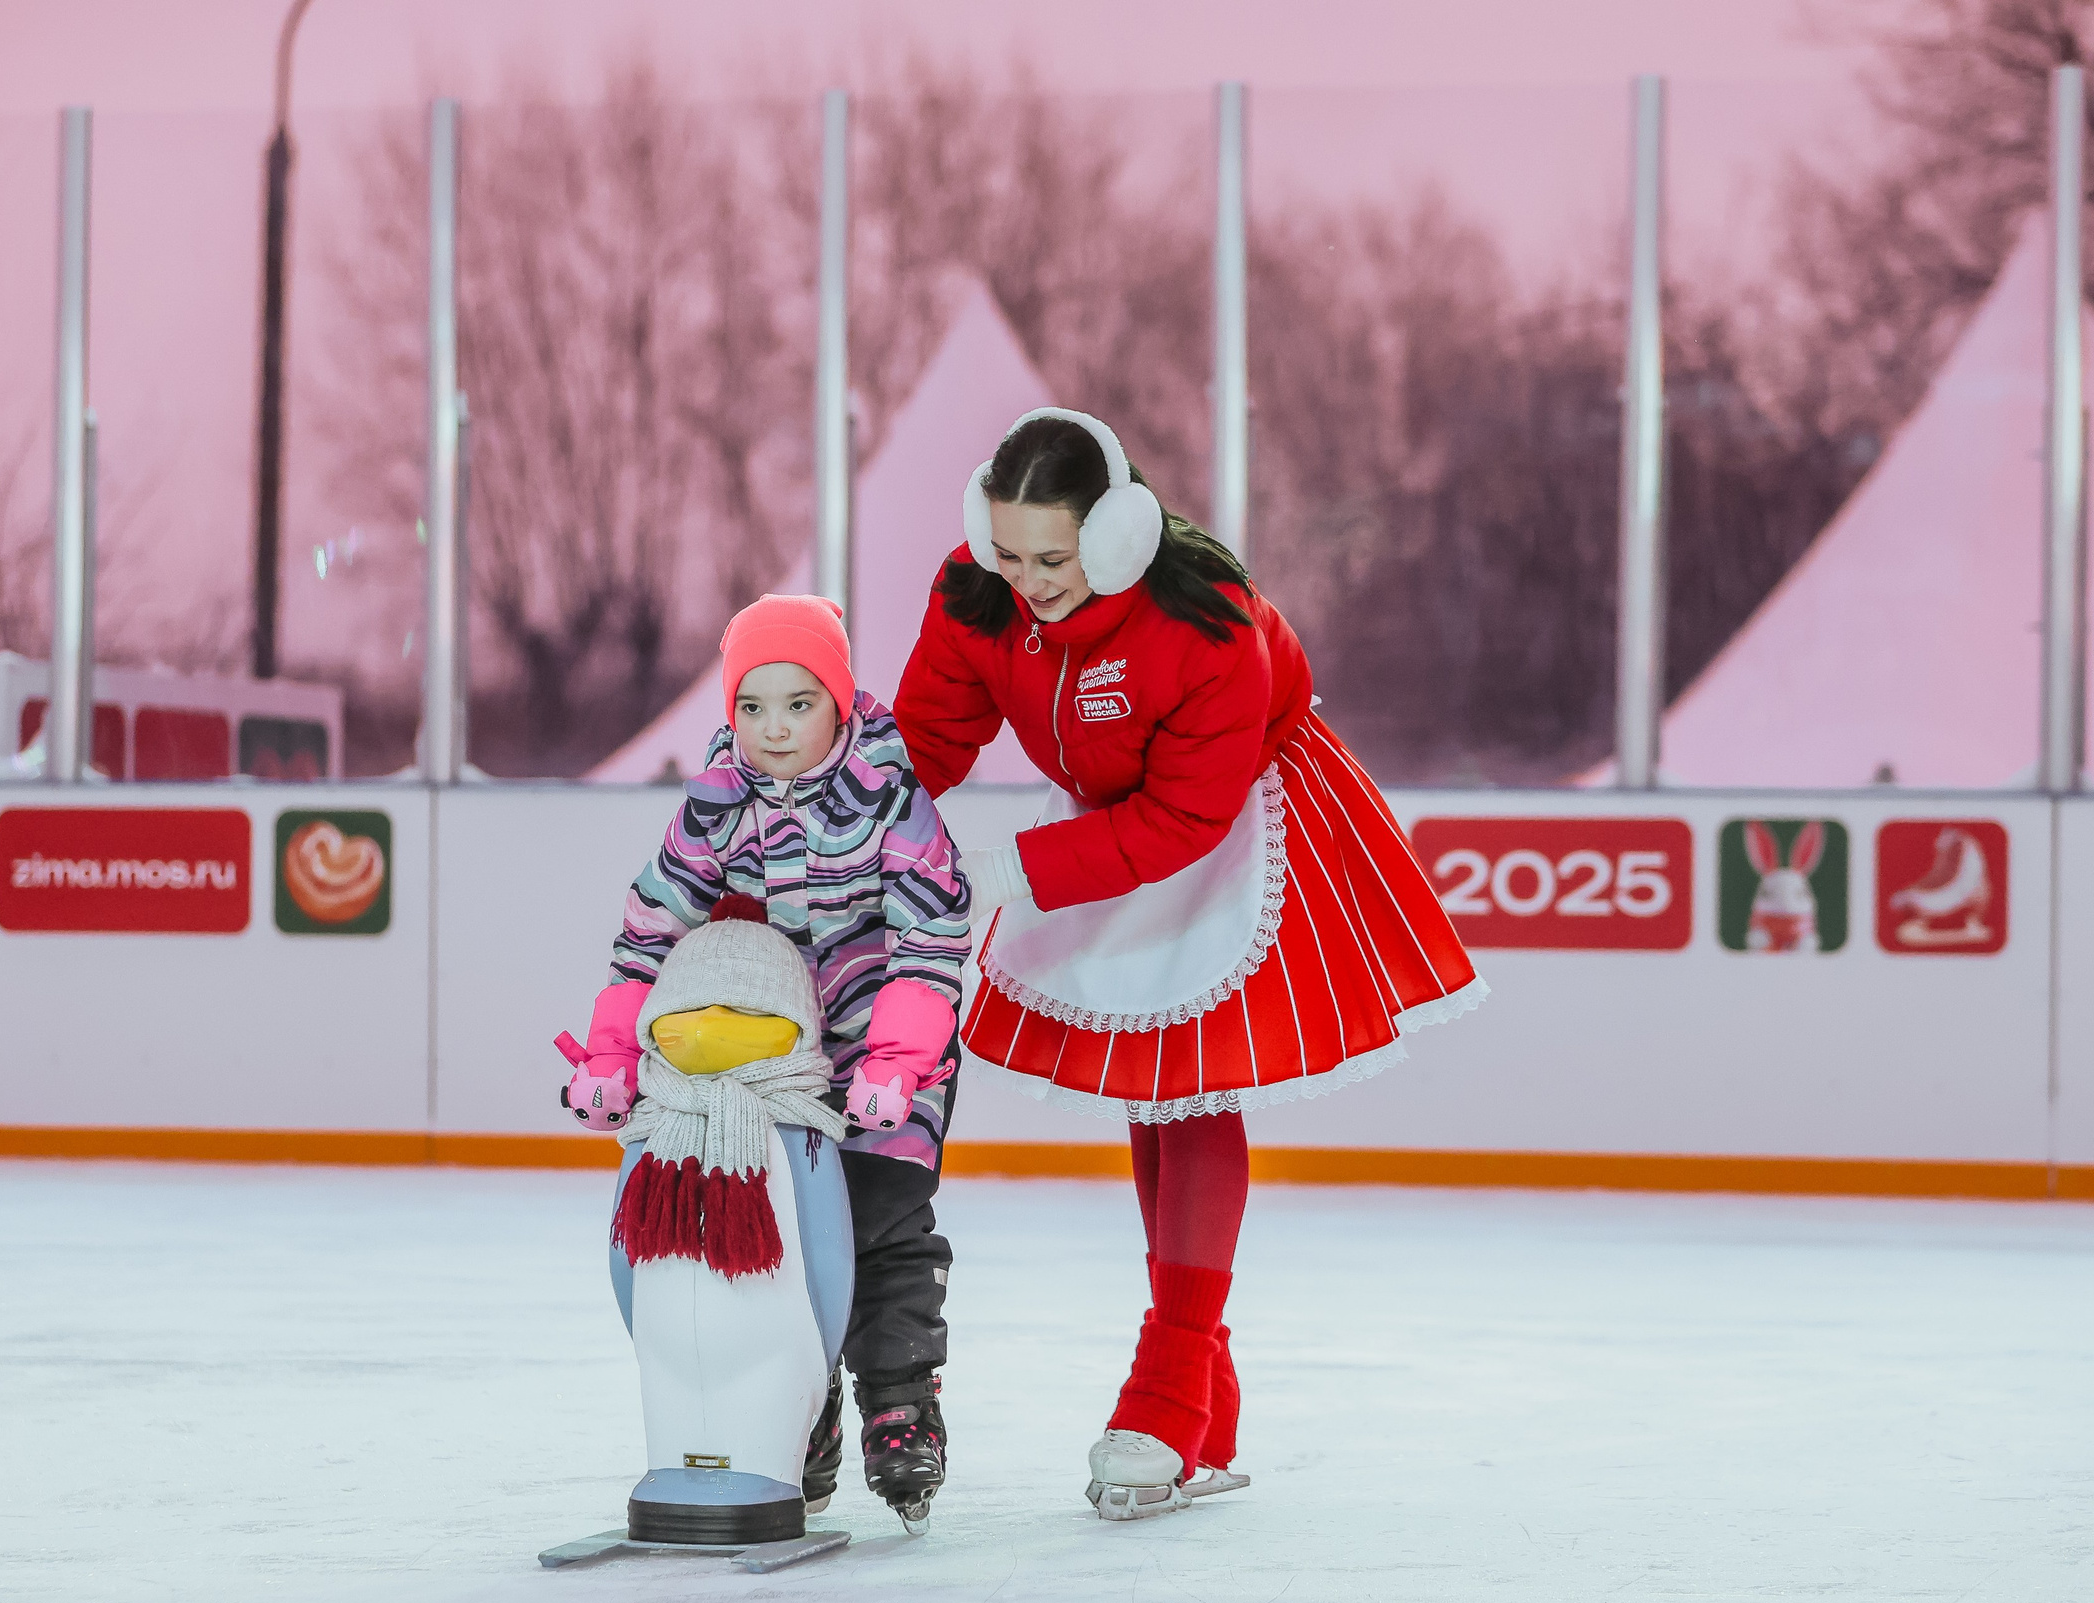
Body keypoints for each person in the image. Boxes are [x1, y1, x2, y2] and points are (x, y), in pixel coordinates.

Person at [895, 408, 1485, 1519]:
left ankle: (1167, 1391)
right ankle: (1197, 1401)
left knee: (1194, 1087)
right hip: (1115, 815)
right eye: (1009, 554)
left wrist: (1012, 868)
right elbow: (926, 737)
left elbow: (1180, 818)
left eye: (1054, 560)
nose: (1029, 584)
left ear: (1115, 533)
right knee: (1156, 1090)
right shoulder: (978, 592)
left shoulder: (1207, 624)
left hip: (1236, 817)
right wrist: (832, 834)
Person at [559, 593, 971, 1530]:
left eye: (798, 703)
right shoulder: (715, 805)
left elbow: (932, 935)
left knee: (883, 1219)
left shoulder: (889, 797)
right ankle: (799, 1411)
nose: (773, 728)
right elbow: (649, 934)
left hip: (880, 1061)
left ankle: (900, 1399)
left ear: (839, 700)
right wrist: (613, 1056)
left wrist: (897, 1065)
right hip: (770, 1071)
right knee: (772, 1234)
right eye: (751, 705)